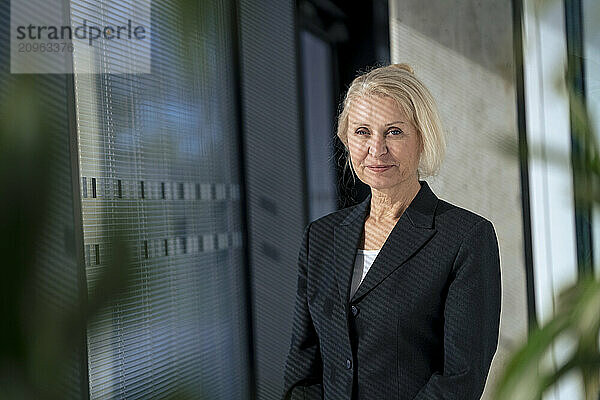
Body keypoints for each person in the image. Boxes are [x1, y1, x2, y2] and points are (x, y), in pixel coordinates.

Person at [282, 63, 501, 400]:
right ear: (345, 139)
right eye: (362, 132)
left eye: (394, 132)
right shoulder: (320, 239)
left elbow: (460, 380)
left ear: (422, 137)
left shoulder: (465, 238)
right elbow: (302, 368)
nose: (377, 148)